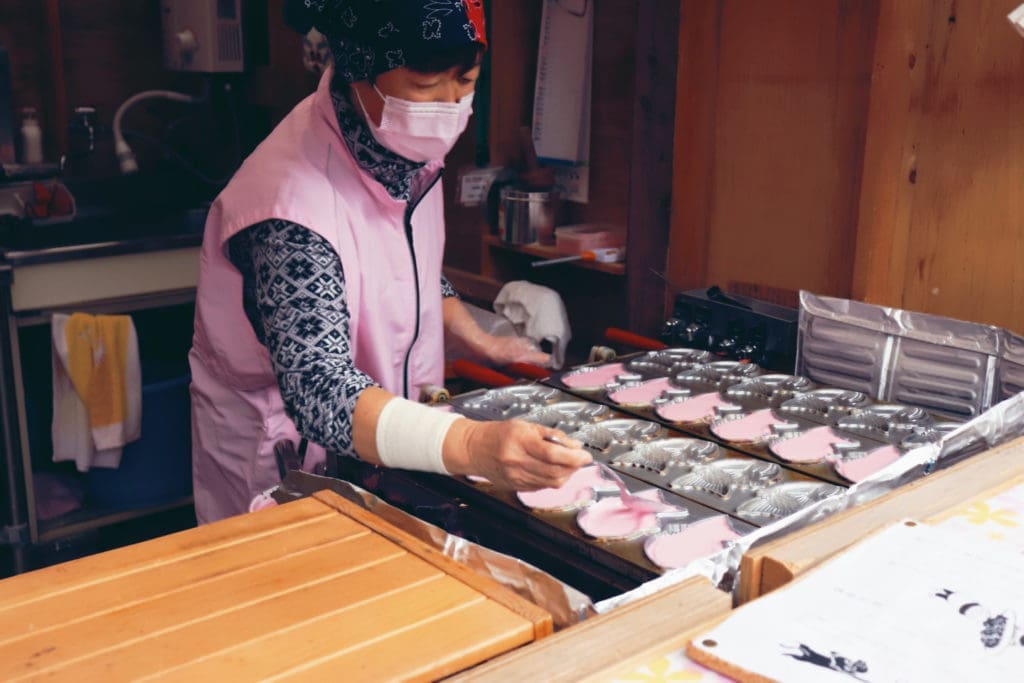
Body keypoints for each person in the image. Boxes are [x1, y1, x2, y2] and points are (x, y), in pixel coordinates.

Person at [188, 0, 592, 524]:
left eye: (466, 80)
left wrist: (478, 338)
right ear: (360, 73)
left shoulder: (404, 153)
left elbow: (405, 268)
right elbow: (322, 391)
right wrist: (473, 442)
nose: (450, 104)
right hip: (287, 470)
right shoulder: (289, 208)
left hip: (383, 450)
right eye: (426, 86)